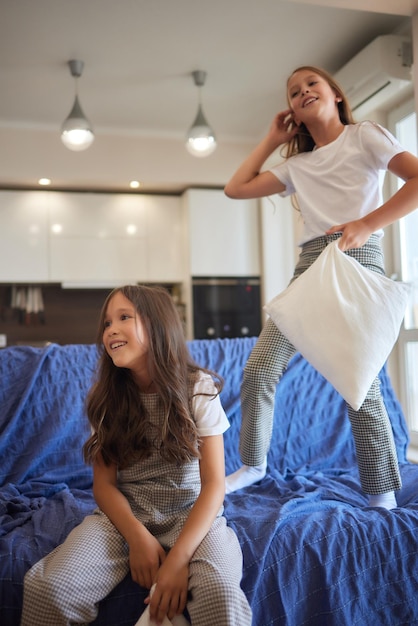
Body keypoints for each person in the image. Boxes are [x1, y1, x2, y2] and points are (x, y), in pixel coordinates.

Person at [224, 65, 418, 509]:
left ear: (334, 93)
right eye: (294, 91)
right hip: (310, 265)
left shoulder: (365, 135)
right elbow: (235, 189)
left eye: (312, 83)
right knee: (259, 369)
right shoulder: (297, 165)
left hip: (357, 257)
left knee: (360, 382)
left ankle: (382, 493)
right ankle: (254, 465)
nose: (303, 91)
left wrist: (367, 224)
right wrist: (272, 140)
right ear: (292, 110)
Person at [21, 285, 252, 626]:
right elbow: (104, 486)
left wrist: (178, 561)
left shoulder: (198, 388)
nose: (110, 329)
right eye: (106, 323)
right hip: (125, 516)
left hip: (192, 513)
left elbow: (214, 484)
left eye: (124, 317)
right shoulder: (106, 398)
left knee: (222, 597)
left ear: (158, 326)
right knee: (49, 588)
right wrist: (137, 537)